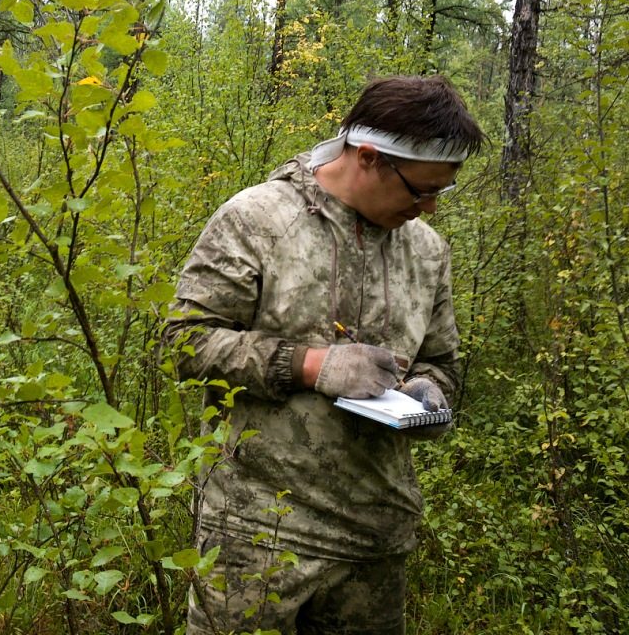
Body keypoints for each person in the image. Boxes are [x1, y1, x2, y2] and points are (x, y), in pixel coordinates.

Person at [165, 75, 486, 635]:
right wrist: (312, 365)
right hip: (257, 524)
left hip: (376, 533)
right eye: (420, 189)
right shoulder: (259, 221)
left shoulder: (427, 252)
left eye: (443, 190)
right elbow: (185, 341)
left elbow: (441, 359)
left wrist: (431, 393)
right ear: (368, 157)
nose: (430, 207)